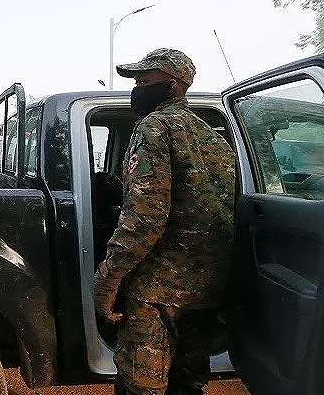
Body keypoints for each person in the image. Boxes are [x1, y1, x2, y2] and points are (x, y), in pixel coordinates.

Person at [93, 48, 236, 395]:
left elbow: (145, 219)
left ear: (173, 86)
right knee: (188, 383)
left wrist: (107, 280)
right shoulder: (213, 138)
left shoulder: (153, 127)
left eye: (144, 80)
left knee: (143, 386)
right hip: (205, 290)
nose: (137, 87)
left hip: (157, 293)